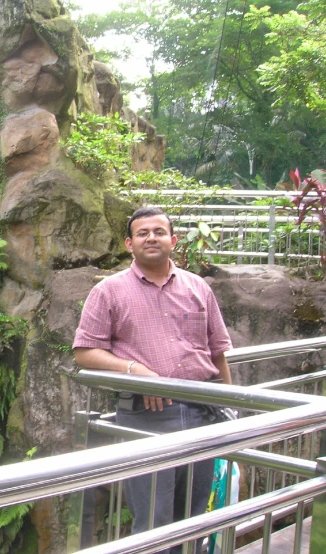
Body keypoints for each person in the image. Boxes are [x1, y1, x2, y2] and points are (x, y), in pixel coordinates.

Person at [72, 206, 233, 554]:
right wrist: (136, 371)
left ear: (173, 240)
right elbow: (84, 352)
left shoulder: (198, 287)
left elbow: (218, 350)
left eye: (159, 231)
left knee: (194, 516)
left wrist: (230, 405)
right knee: (154, 522)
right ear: (129, 243)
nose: (151, 238)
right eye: (143, 233)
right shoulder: (109, 292)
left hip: (203, 412)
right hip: (148, 417)